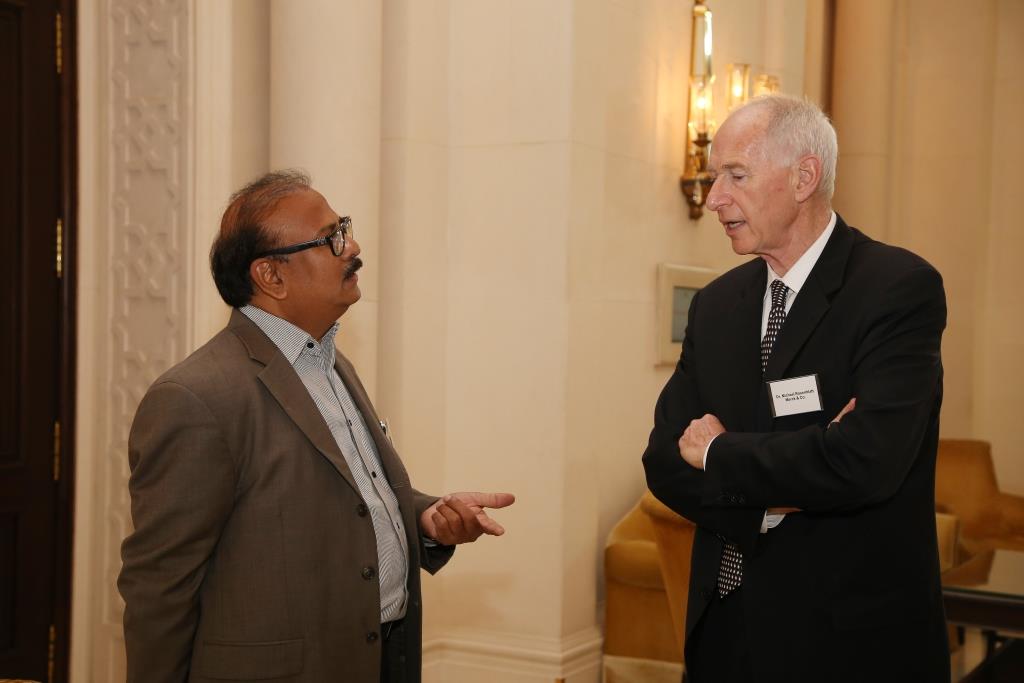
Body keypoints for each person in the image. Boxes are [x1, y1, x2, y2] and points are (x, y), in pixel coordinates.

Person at [118, 170, 515, 683]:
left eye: (343, 228)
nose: (353, 248)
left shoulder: (328, 361)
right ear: (271, 276)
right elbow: (160, 587)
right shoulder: (196, 398)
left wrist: (425, 517)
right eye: (331, 238)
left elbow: (342, 491)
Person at [642, 95, 949, 683]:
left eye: (735, 175)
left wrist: (718, 453)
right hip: (724, 633)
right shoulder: (716, 305)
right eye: (714, 177)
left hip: (847, 644)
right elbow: (663, 461)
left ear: (804, 177)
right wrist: (782, 489)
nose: (715, 199)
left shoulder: (896, 289)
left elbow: (865, 461)